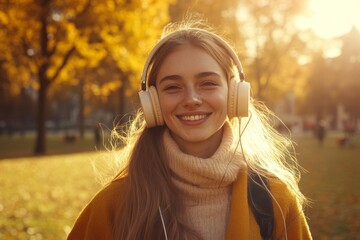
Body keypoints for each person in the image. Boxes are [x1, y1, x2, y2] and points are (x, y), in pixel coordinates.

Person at [67, 22, 312, 240]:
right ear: (153, 102)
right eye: (173, 87)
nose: (192, 99)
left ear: (234, 93)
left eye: (208, 83)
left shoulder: (276, 201)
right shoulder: (113, 205)